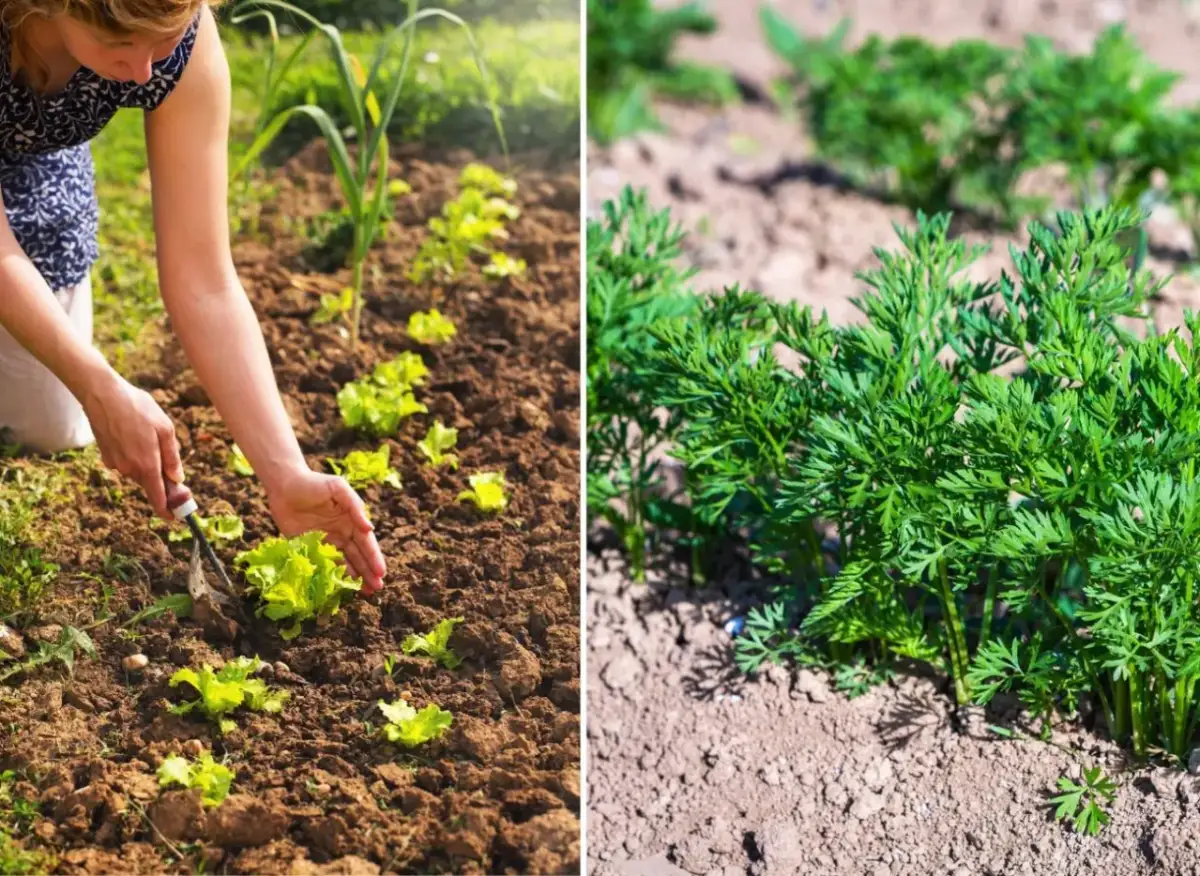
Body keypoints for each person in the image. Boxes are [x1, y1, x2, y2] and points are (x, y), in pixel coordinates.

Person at [0, 0, 385, 593]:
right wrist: (100, 386)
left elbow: (204, 276)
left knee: (49, 423)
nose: (145, 75)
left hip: (34, 167)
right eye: (121, 50)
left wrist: (284, 473)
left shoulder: (178, 42)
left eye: (162, 46)